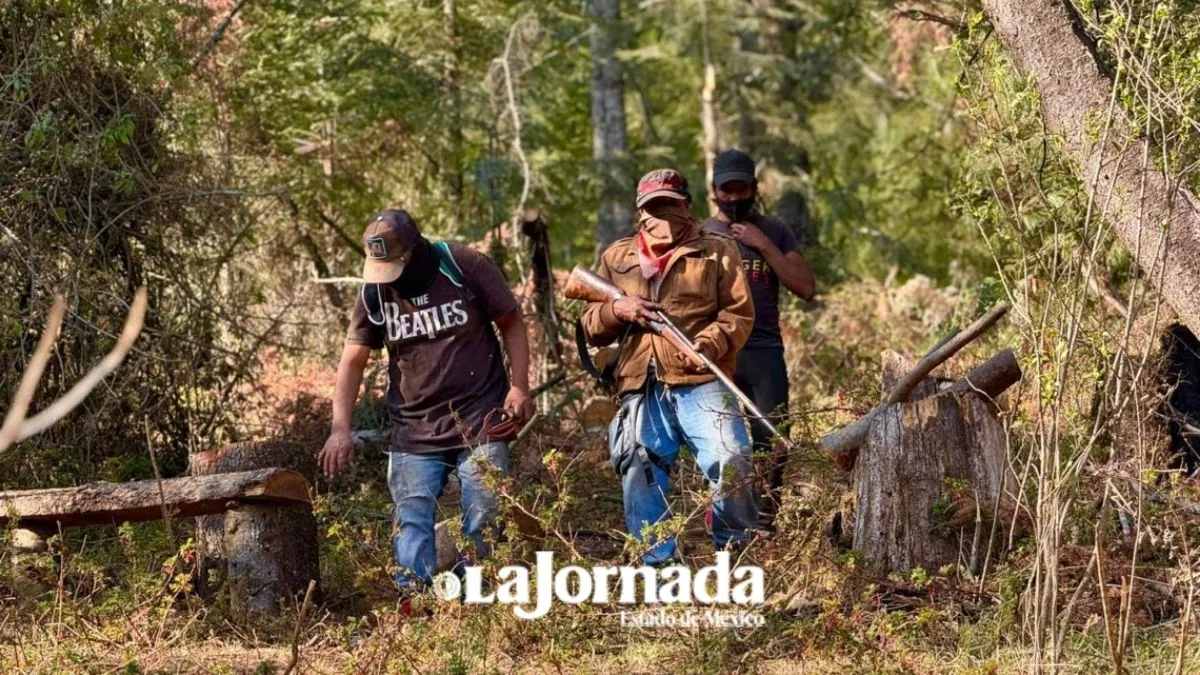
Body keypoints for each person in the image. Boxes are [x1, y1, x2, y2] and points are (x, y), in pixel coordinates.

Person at [317, 209, 532, 604]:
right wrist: (340, 428)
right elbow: (352, 360)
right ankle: (413, 602)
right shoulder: (374, 290)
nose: (388, 275)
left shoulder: (464, 265)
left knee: (484, 507)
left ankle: (475, 597)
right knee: (411, 518)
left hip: (479, 415)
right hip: (413, 427)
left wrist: (519, 386)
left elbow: (512, 322)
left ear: (414, 248)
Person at [580, 168, 758, 565]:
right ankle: (659, 568)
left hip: (702, 379)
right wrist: (617, 308)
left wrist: (711, 342)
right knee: (640, 472)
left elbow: (739, 314)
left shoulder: (718, 250)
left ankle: (734, 556)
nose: (661, 217)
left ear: (686, 207)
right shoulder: (616, 257)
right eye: (653, 208)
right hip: (640, 383)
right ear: (640, 211)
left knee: (732, 458)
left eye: (670, 207)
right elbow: (590, 326)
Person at [702, 149, 816, 530]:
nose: (734, 198)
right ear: (714, 190)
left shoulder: (776, 231)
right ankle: (727, 521)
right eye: (726, 190)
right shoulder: (701, 235)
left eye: (741, 189)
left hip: (765, 351)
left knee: (773, 438)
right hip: (718, 352)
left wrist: (761, 243)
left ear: (754, 188)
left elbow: (805, 287)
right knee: (723, 443)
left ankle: (766, 521)